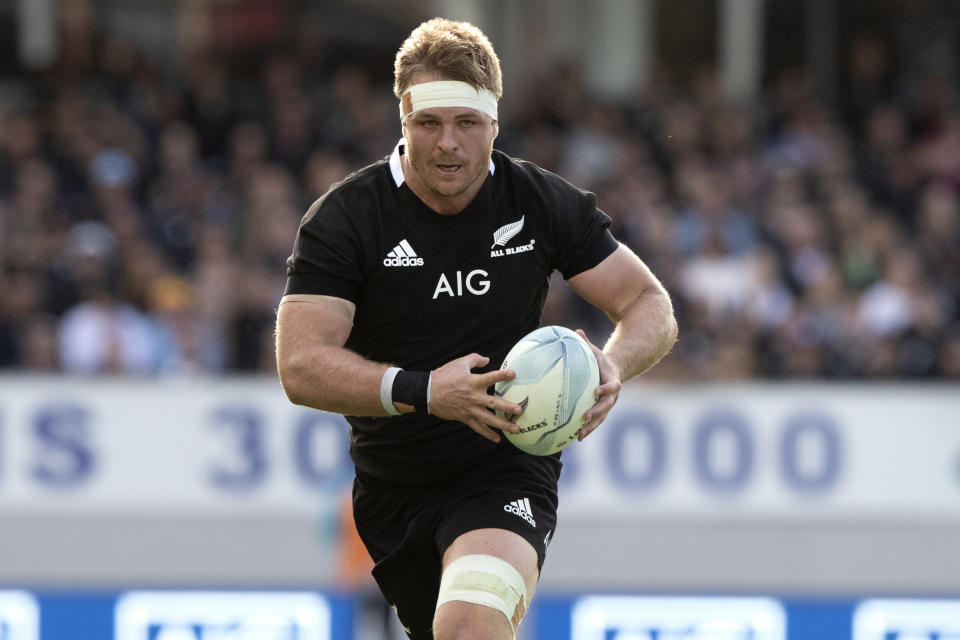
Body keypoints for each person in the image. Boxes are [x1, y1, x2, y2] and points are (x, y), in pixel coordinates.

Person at [275, 17, 677, 640]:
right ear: (403, 119)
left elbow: (648, 303)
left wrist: (616, 363)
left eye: (467, 123)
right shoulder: (346, 218)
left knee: (469, 627)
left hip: (508, 466)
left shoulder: (540, 202)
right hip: (392, 487)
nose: (448, 144)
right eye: (428, 123)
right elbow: (299, 364)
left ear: (495, 122)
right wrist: (426, 390)